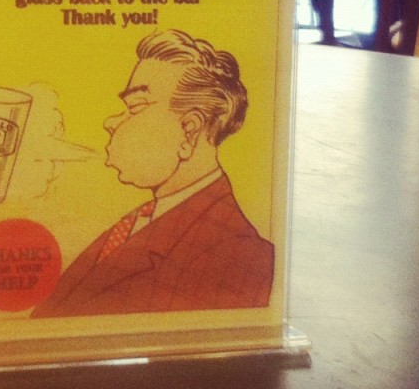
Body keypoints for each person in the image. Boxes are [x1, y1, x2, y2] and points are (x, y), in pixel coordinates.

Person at [31, 29, 274, 319]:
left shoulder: (238, 256)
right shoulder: (142, 219)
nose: (111, 122)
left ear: (189, 130)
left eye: (135, 107)